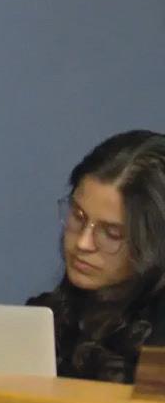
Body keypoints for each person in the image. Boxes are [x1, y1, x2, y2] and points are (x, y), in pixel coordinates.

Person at [28, 130, 165, 383]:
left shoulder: (158, 346)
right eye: (78, 216)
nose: (83, 243)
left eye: (112, 233)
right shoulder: (43, 320)